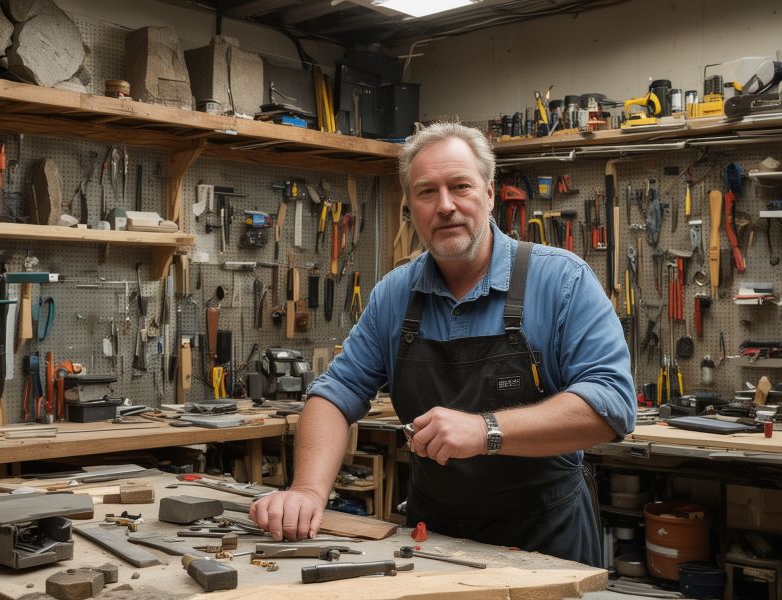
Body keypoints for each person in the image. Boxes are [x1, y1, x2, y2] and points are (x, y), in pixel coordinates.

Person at [251, 122, 637, 566]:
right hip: (434, 538)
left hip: (548, 536)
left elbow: (611, 405)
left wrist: (486, 430)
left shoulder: (562, 280)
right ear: (409, 207)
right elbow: (334, 396)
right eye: (427, 192)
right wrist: (307, 490)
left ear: (489, 194)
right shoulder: (394, 296)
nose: (446, 206)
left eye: (460, 186)